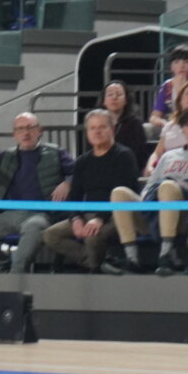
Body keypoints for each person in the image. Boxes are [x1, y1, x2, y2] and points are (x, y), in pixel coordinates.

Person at [105, 106, 188, 276]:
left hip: (187, 219)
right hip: (155, 214)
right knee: (119, 193)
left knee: (168, 186)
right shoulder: (168, 156)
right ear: (183, 129)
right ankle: (132, 258)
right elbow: (150, 186)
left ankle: (166, 254)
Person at [0, 112, 74, 273]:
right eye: (20, 129)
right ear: (14, 134)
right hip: (9, 214)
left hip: (41, 214)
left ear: (39, 131)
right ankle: (4, 264)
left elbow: (77, 171)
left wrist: (68, 182)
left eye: (30, 128)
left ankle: (14, 280)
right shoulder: (7, 155)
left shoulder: (55, 152)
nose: (26, 133)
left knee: (31, 233)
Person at [42, 109, 139, 272]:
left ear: (112, 129)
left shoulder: (124, 156)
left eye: (102, 127)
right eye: (92, 128)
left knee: (92, 237)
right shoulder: (82, 161)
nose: (97, 132)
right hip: (87, 214)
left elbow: (122, 193)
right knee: (50, 235)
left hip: (115, 215)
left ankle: (97, 270)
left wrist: (99, 219)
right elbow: (75, 196)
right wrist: (76, 218)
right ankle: (98, 264)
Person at [151, 43, 188, 132]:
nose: (182, 66)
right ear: (171, 67)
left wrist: (179, 90)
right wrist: (162, 123)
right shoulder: (167, 86)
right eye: (177, 62)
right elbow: (154, 116)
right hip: (170, 124)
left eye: (187, 61)